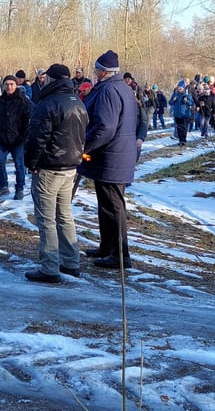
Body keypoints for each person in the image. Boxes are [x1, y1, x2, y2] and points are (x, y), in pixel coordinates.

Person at [23, 64, 88, 283]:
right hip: (70, 167)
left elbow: (37, 138)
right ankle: (71, 262)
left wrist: (30, 163)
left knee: (47, 219)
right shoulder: (77, 102)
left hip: (49, 168)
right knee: (64, 216)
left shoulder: (47, 104)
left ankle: (49, 266)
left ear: (51, 79)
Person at [79, 50, 138, 271]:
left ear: (104, 71)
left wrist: (85, 145)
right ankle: (107, 247)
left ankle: (120, 255)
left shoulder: (108, 91)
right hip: (116, 156)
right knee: (106, 205)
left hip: (111, 157)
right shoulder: (121, 88)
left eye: (96, 69)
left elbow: (105, 127)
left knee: (113, 206)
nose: (94, 73)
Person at [0, 75, 31, 199]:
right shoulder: (0, 101)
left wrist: (23, 138)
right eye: (7, 84)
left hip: (18, 139)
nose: (9, 87)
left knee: (19, 165)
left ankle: (19, 189)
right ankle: (3, 186)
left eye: (11, 84)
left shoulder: (23, 101)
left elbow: (27, 121)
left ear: (16, 85)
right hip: (2, 138)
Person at [169, 81, 194, 147]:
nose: (180, 88)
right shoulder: (175, 94)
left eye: (181, 87)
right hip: (177, 114)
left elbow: (191, 103)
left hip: (184, 114)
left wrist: (187, 101)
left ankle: (183, 141)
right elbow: (170, 102)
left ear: (183, 88)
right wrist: (173, 100)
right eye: (179, 87)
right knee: (179, 128)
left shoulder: (187, 94)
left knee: (184, 128)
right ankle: (180, 141)